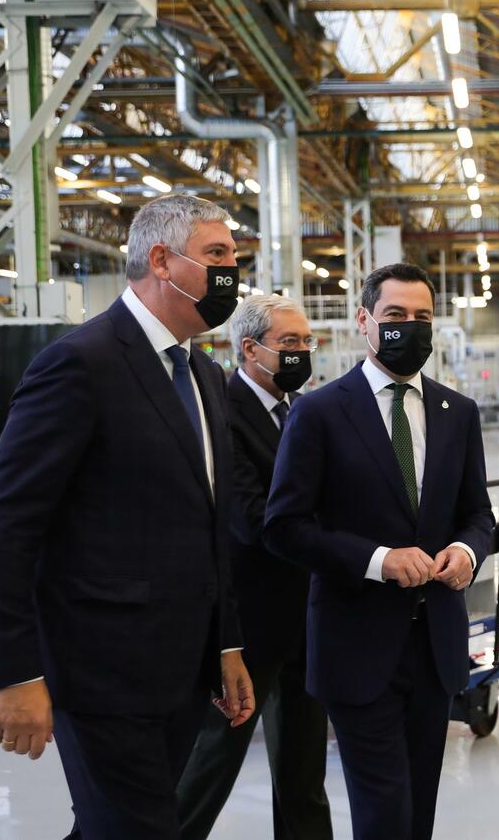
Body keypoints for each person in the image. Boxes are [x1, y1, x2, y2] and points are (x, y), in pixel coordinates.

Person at [0, 195, 254, 838]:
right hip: (101, 674)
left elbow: (209, 526)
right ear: (161, 259)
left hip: (182, 671)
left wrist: (226, 643)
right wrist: (15, 672)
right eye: (216, 255)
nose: (232, 271)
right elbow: (3, 524)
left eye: (234, 256)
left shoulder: (205, 376)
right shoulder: (79, 364)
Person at [265, 263, 493, 840]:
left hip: (435, 644)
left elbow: (477, 515)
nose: (409, 328)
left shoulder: (456, 413)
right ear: (365, 320)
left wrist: (467, 552)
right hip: (355, 643)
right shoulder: (318, 414)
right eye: (395, 316)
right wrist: (378, 560)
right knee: (383, 811)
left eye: (422, 317)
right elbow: (285, 526)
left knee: (419, 811)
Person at [176, 295, 332, 840]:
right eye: (290, 343)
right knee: (209, 768)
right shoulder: (220, 411)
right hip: (243, 627)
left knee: (303, 776)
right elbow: (253, 519)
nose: (302, 352)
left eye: (306, 342)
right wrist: (348, 548)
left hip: (305, 618)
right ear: (250, 348)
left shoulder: (304, 410)